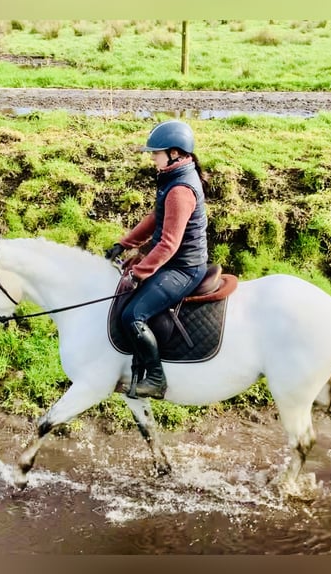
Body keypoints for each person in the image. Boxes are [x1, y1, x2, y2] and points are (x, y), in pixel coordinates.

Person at [104, 119, 209, 399]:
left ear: (174, 152)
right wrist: (123, 244)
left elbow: (169, 244)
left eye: (156, 152)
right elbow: (156, 218)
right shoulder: (174, 177)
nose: (151, 157)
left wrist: (139, 271)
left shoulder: (179, 190)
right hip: (174, 261)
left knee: (132, 315)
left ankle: (156, 378)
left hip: (184, 268)